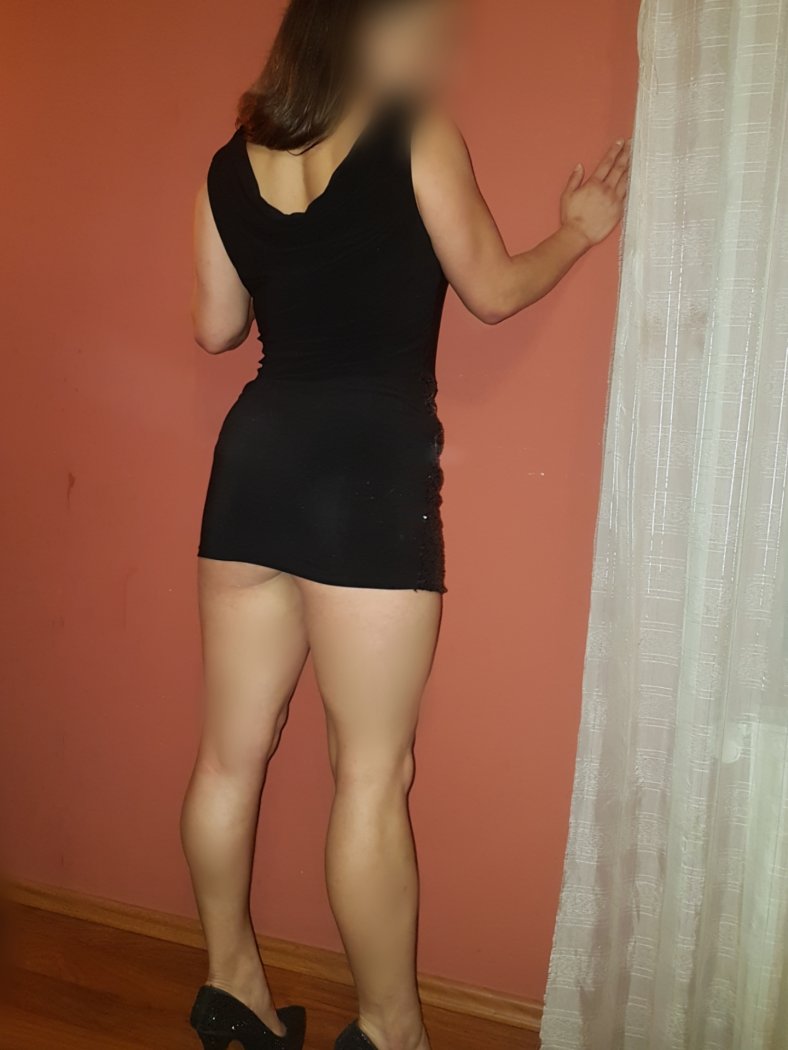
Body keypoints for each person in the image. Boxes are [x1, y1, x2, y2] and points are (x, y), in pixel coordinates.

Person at [181, 1, 631, 1048]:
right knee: (373, 776)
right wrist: (576, 231)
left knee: (227, 760)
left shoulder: (225, 166)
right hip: (366, 470)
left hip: (253, 468)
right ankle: (391, 1032)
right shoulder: (414, 130)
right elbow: (492, 290)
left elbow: (214, 328)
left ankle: (231, 989)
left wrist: (280, 260)